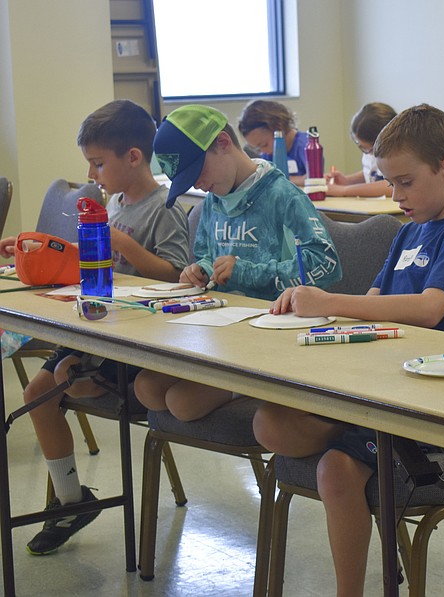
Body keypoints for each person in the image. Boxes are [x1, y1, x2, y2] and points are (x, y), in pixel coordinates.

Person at [252, 104, 444, 597]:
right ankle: (349, 434)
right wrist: (314, 312)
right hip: (379, 382)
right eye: (389, 182)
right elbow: (374, 303)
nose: (394, 194)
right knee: (269, 422)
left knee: (334, 469)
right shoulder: (409, 229)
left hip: (427, 400)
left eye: (405, 182)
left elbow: (430, 309)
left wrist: (332, 300)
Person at [0, 99, 191, 556]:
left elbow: (176, 275)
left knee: (59, 381)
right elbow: (90, 263)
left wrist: (121, 242)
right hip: (100, 331)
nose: (94, 174)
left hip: (140, 346)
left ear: (133, 157)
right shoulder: (115, 203)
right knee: (36, 395)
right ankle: (71, 501)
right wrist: (39, 250)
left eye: (99, 163)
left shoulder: (163, 208)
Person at [134, 104, 341, 423]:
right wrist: (199, 270)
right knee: (146, 387)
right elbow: (205, 253)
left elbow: (325, 266)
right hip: (222, 331)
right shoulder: (213, 201)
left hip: (270, 334)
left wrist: (247, 271)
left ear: (222, 143)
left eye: (198, 172)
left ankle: (251, 387)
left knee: (182, 402)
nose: (198, 186)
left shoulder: (282, 196)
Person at [324, 102, 397, 198]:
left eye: (369, 150)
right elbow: (373, 173)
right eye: (360, 146)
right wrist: (347, 181)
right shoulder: (370, 152)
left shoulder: (397, 156)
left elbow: (391, 186)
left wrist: (344, 190)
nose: (367, 153)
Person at [237, 99, 309, 185]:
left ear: (278, 127)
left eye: (264, 145)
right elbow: (265, 179)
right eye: (258, 149)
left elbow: (313, 179)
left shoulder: (306, 146)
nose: (263, 151)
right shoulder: (267, 154)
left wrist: (280, 179)